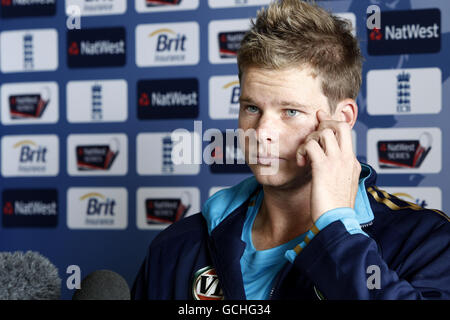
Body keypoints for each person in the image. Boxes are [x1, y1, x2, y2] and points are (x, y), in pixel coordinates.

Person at [132, 0, 450, 300]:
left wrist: (336, 229)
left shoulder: (424, 241)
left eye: (290, 111)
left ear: (342, 119)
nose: (262, 133)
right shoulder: (176, 247)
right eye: (252, 107)